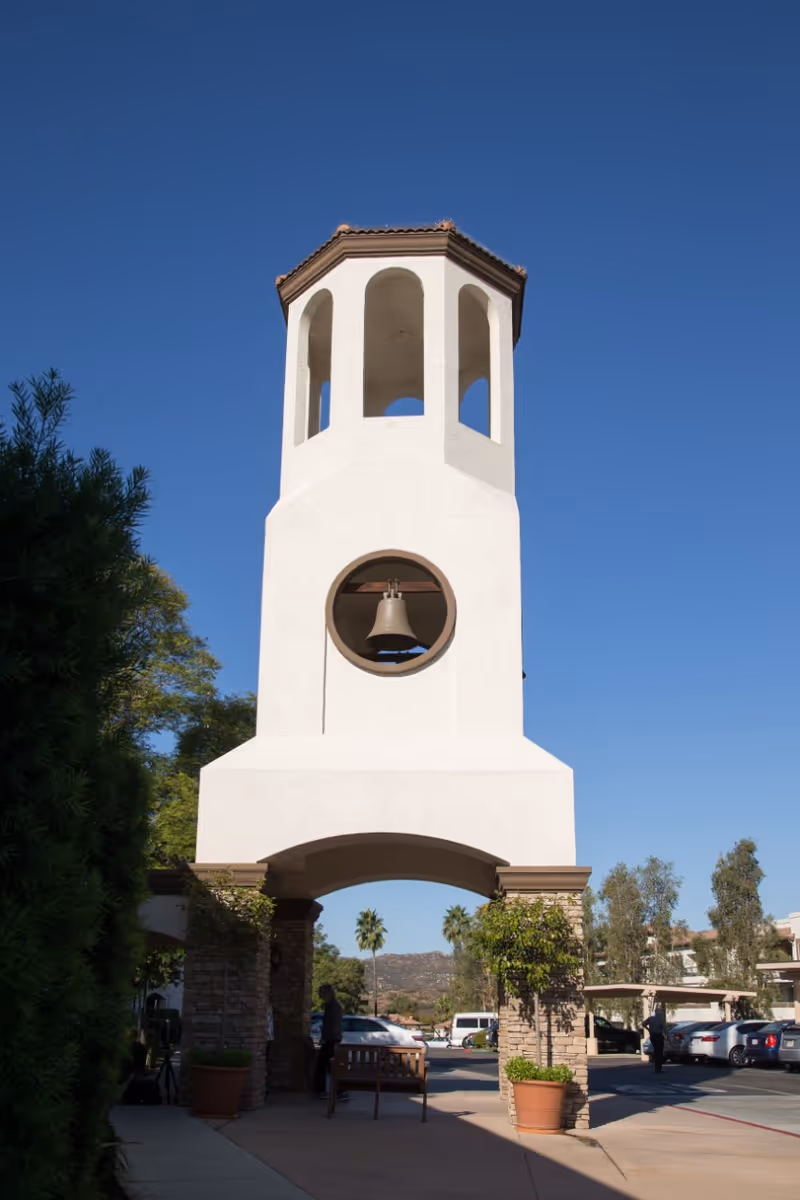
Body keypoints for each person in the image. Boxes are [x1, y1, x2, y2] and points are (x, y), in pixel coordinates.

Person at [313, 983, 347, 1099]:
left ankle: (324, 1090)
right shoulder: (334, 1005)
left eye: (321, 992)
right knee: (328, 1066)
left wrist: (324, 1038)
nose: (319, 995)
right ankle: (339, 1090)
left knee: (324, 1066)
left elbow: (330, 1025)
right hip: (333, 1039)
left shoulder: (331, 1006)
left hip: (330, 1040)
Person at [642, 1005, 668, 1073]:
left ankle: (657, 1067)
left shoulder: (651, 1018)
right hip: (658, 1036)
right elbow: (665, 1030)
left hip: (653, 1035)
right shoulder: (661, 1019)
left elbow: (643, 1024)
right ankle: (658, 1068)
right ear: (659, 1013)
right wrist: (668, 1037)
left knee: (656, 1051)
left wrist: (649, 1030)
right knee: (659, 1052)